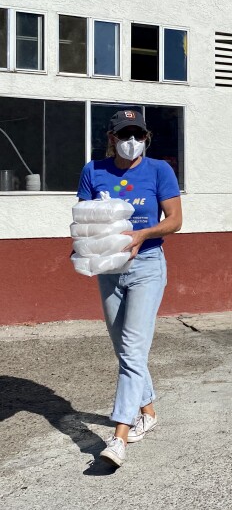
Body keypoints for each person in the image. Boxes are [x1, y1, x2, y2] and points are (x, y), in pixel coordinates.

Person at [76, 109, 182, 468]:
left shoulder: (159, 171)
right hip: (109, 269)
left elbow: (176, 220)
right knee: (125, 348)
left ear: (146, 138)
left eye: (137, 134)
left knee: (133, 350)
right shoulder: (94, 171)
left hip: (147, 267)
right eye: (124, 134)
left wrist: (142, 235)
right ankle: (148, 412)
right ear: (112, 138)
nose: (131, 141)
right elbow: (85, 218)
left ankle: (118, 436)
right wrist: (85, 249)